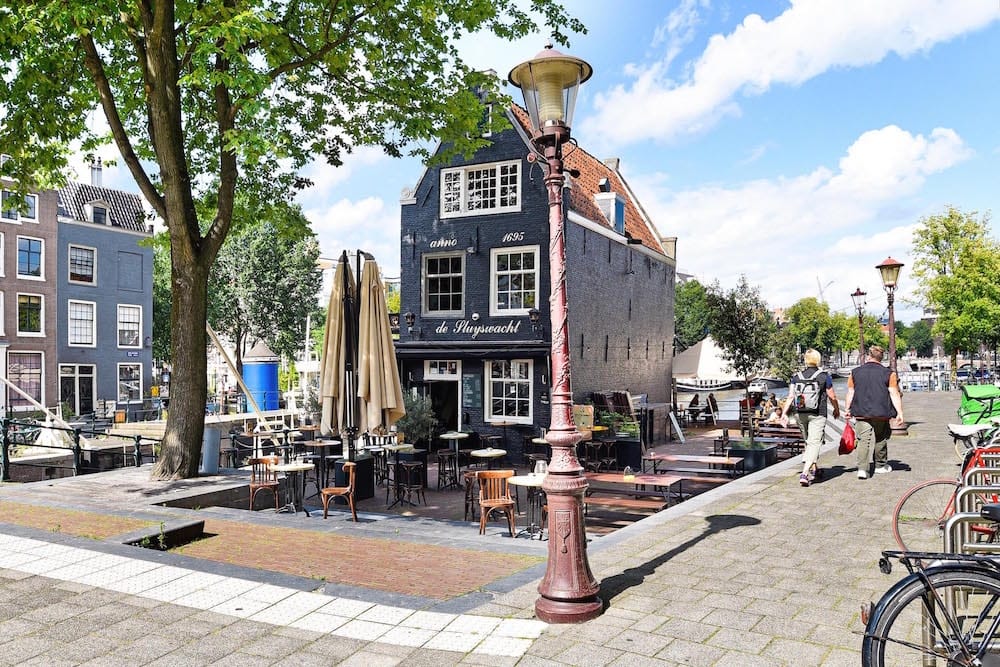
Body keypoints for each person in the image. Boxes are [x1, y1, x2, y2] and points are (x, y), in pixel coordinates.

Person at [778, 348, 840, 487]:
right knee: (814, 442)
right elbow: (832, 396)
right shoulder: (824, 376)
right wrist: (836, 409)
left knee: (808, 441)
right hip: (818, 413)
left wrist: (784, 413)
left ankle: (815, 469)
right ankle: (805, 473)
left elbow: (791, 396)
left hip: (800, 413)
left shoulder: (797, 377)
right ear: (818, 359)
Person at [844, 345, 904, 479]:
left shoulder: (855, 372)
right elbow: (894, 393)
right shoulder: (889, 374)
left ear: (868, 356)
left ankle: (862, 469)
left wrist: (847, 409)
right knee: (881, 438)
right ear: (881, 358)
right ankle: (880, 465)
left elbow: (851, 392)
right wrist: (900, 413)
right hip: (881, 411)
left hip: (861, 411)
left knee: (863, 440)